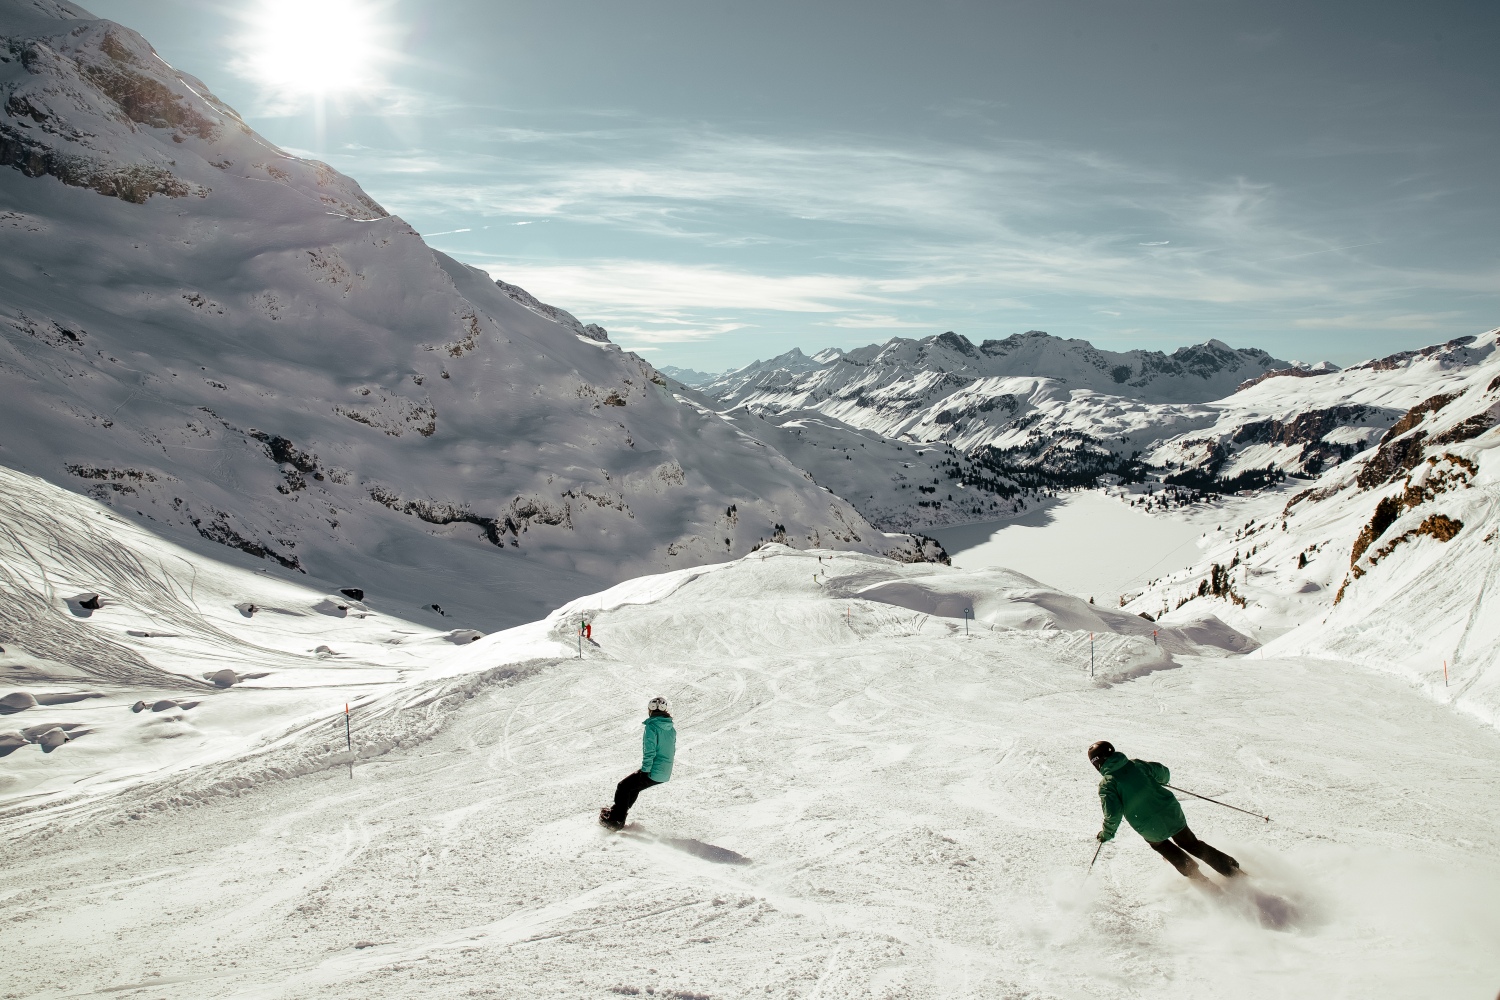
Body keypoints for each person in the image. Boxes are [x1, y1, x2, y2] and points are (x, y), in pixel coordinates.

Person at [1089, 740, 1242, 881]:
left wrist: (1106, 834)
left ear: (1097, 763)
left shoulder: (1108, 784)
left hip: (1148, 826)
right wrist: (1159, 780)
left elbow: (1113, 814)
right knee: (1192, 844)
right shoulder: (1137, 765)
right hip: (1171, 813)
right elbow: (1163, 773)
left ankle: (1200, 880)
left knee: (1162, 846)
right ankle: (1233, 871)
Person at [600, 696, 676, 830]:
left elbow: (650, 751)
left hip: (654, 770)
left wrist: (645, 770)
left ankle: (616, 820)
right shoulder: (670, 728)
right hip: (664, 771)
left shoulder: (652, 727)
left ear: (649, 710)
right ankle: (618, 815)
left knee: (623, 786)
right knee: (632, 787)